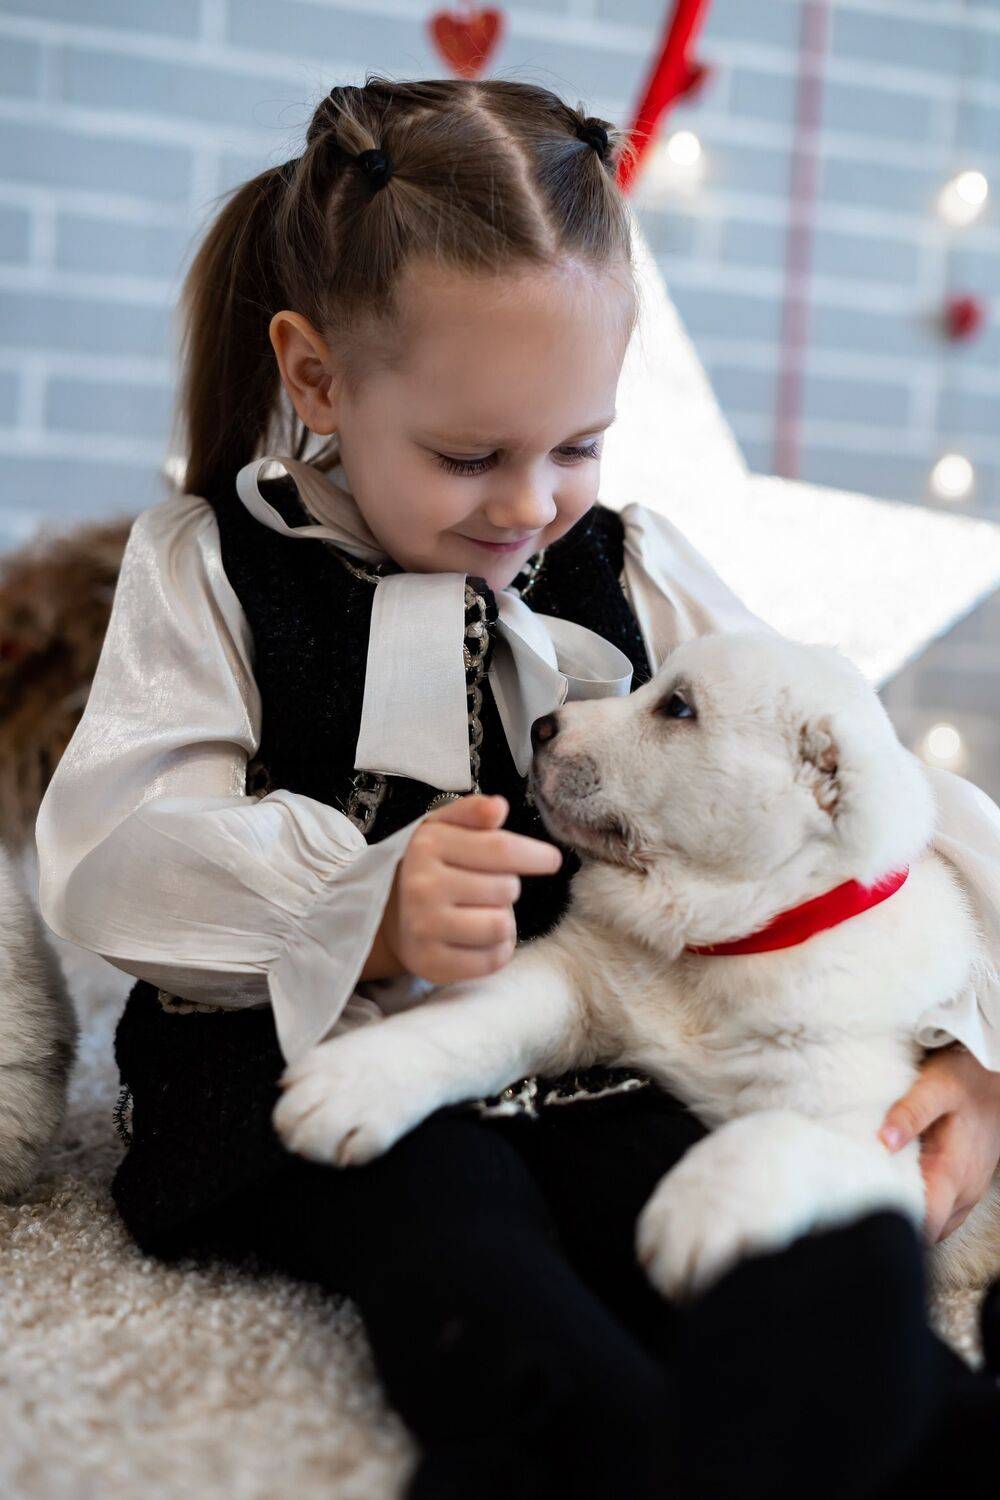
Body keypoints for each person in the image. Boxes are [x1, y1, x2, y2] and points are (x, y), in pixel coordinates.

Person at [34, 76, 1000, 1498]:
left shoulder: (631, 561)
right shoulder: (211, 570)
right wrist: (360, 908)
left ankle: (923, 1425)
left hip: (587, 1051)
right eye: (469, 456)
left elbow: (851, 780)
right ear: (318, 379)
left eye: (578, 445)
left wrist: (971, 1040)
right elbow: (115, 854)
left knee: (730, 1216)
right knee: (458, 1228)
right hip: (299, 1066)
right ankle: (596, 1458)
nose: (533, 503)